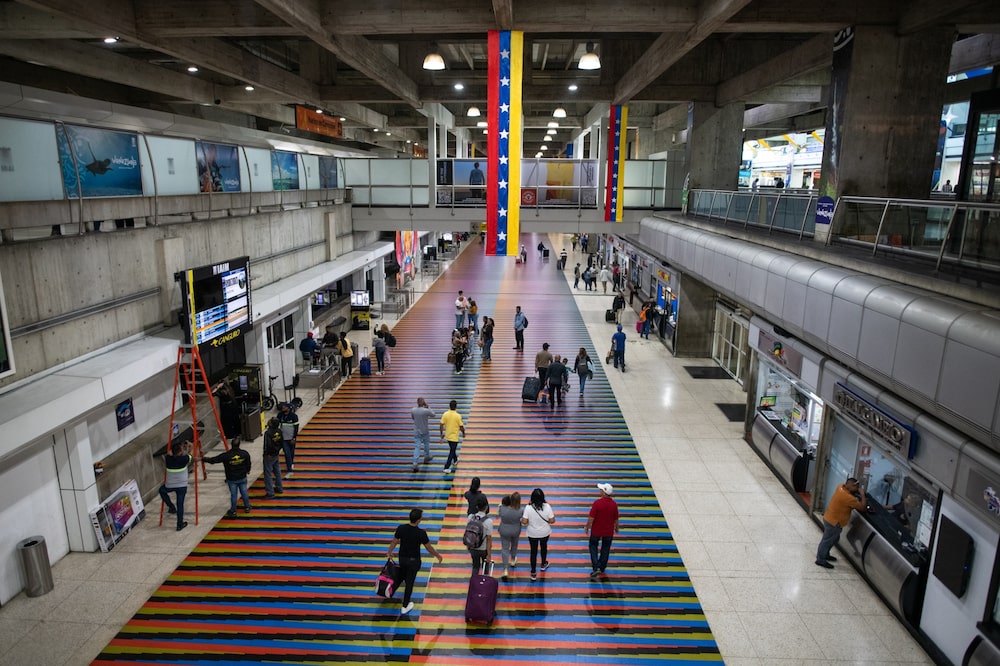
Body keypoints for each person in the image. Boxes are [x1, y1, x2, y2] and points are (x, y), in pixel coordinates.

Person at [387, 508, 444, 616]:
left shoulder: (401, 528)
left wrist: (389, 552)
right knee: (410, 583)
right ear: (418, 520)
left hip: (402, 559)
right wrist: (437, 555)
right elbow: (428, 547)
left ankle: (391, 590)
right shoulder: (421, 533)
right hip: (414, 562)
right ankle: (405, 606)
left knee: (402, 575)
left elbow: (394, 541)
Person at [816, 477, 867, 569]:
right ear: (852, 486)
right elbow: (863, 508)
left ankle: (825, 554)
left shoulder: (840, 487)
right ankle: (820, 559)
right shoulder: (848, 498)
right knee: (827, 540)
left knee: (832, 539)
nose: (857, 489)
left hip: (829, 517)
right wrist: (862, 495)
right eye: (856, 487)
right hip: (834, 522)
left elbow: (849, 498)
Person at [204, 438, 252, 519]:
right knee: (244, 492)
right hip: (242, 477)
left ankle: (233, 511)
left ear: (231, 445)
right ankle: (247, 507)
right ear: (239, 444)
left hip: (232, 479)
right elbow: (248, 463)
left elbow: (214, 460)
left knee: (234, 495)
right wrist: (247, 470)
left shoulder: (226, 455)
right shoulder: (244, 454)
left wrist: (203, 459)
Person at [586, 483, 619, 578]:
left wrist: (587, 527)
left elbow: (591, 518)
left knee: (593, 546)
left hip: (596, 531)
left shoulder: (597, 503)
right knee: (606, 548)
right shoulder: (614, 504)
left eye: (601, 490)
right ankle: (602, 567)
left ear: (604, 492)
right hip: (608, 532)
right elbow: (616, 518)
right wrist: (617, 528)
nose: (599, 491)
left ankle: (595, 567)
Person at [521, 487, 555, 582]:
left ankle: (533, 572)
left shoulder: (528, 507)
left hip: (532, 533)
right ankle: (543, 563)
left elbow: (524, 522)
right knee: (544, 547)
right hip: (545, 533)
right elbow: (552, 520)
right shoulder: (547, 507)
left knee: (533, 551)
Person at [158, 439, 192, 531]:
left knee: (161, 490)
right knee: (180, 504)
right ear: (180, 452)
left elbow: (169, 453)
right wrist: (189, 446)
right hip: (182, 486)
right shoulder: (184, 459)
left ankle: (171, 507)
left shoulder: (168, 459)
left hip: (170, 485)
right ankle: (179, 524)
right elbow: (191, 454)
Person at [497, 493, 524, 578]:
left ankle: (505, 569)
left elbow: (498, 515)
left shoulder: (502, 508)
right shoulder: (521, 510)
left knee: (505, 548)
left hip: (504, 530)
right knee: (514, 544)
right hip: (516, 530)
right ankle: (513, 560)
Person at [466, 495, 494, 574]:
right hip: (483, 549)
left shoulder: (470, 517)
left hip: (473, 548)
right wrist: (489, 554)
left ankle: (474, 584)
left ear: (477, 507)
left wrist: (468, 545)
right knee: (485, 568)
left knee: (475, 567)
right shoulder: (488, 521)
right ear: (487, 506)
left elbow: (469, 532)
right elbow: (489, 539)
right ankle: (484, 583)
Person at [439, 399, 465, 474]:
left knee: (452, 449)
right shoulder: (458, 416)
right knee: (452, 451)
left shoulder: (445, 414)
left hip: (448, 436)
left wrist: (441, 434)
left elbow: (441, 424)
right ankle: (446, 467)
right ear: (456, 407)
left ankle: (456, 460)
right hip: (454, 437)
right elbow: (461, 426)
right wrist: (463, 433)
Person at [410, 397, 435, 472]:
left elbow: (413, 418)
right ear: (423, 402)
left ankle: (415, 463)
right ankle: (426, 456)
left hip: (417, 430)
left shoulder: (413, 410)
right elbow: (433, 414)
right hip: (425, 430)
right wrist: (428, 406)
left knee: (417, 447)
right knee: (426, 443)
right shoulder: (425, 411)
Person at [261, 417, 284, 498]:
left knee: (268, 474)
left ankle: (270, 492)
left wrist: (267, 454)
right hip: (276, 454)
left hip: (269, 456)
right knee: (277, 471)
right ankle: (279, 487)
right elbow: (281, 442)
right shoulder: (279, 431)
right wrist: (277, 451)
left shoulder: (268, 433)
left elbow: (267, 444)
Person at [277, 401, 299, 479]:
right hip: (284, 439)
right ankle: (289, 470)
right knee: (287, 453)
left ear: (289, 408)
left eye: (285, 406)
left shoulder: (294, 416)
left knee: (291, 452)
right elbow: (277, 424)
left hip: (291, 438)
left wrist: (294, 438)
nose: (283, 407)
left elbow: (296, 428)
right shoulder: (280, 415)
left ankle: (291, 463)